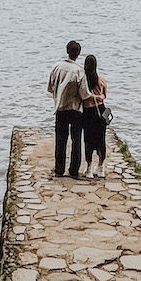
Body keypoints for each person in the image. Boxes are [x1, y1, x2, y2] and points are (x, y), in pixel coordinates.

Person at [48, 39, 88, 178]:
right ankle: (73, 169)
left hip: (60, 107)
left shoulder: (57, 67)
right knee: (76, 139)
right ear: (78, 54)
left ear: (67, 51)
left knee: (60, 139)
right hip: (76, 109)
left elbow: (50, 87)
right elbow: (84, 93)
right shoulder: (79, 71)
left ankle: (59, 169)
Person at [81, 53, 108, 178]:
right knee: (101, 139)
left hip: (88, 112)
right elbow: (105, 96)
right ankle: (101, 167)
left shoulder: (83, 81)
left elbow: (81, 96)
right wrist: (99, 97)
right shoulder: (102, 80)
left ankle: (89, 168)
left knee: (88, 140)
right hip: (100, 111)